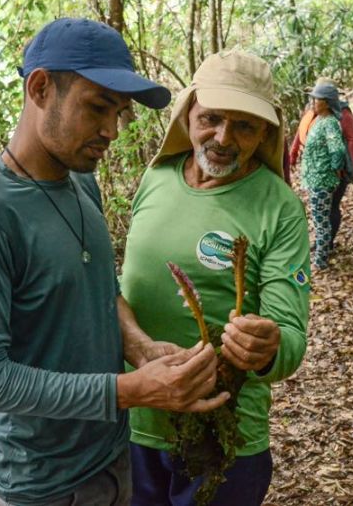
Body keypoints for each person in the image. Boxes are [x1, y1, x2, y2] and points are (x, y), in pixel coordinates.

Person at [0, 18, 229, 506]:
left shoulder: (81, 182)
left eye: (119, 113)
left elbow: (98, 290)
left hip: (113, 462)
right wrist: (128, 391)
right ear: (40, 88)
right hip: (40, 486)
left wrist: (138, 347)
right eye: (98, 107)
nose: (111, 131)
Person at [120, 49, 311, 506]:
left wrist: (265, 349)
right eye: (211, 118)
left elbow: (290, 341)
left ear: (264, 131)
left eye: (244, 125)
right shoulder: (157, 177)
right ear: (188, 112)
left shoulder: (279, 207)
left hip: (225, 443)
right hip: (135, 428)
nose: (223, 137)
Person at [288, 78, 353, 250]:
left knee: (331, 207)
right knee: (320, 210)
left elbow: (352, 139)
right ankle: (322, 242)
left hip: (334, 170)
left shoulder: (341, 114)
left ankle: (327, 245)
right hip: (316, 170)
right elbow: (301, 132)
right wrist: (293, 154)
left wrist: (350, 167)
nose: (314, 99)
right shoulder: (313, 111)